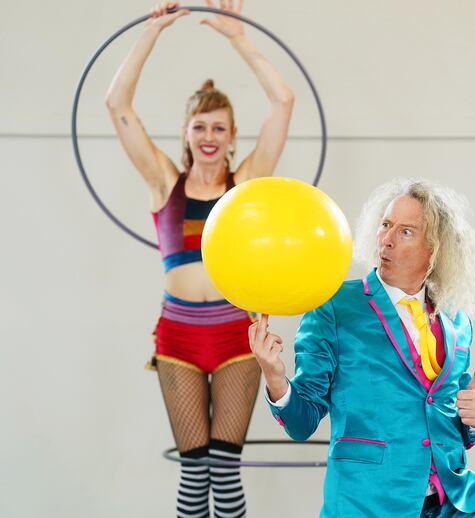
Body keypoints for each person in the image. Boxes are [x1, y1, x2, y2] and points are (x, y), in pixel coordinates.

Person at [249, 179, 475, 517]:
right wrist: (276, 377)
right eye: (386, 225)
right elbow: (302, 421)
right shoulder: (335, 305)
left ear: (434, 249)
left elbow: (450, 426)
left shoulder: (457, 321)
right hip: (370, 502)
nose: (387, 239)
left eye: (406, 231)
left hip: (457, 498)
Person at [105, 1, 294, 516]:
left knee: (226, 475)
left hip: (237, 335)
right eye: (199, 127)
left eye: (219, 128)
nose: (208, 137)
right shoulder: (164, 182)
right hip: (179, 338)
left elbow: (283, 102)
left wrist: (239, 38)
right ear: (186, 133)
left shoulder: (246, 182)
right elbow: (116, 103)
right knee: (194, 476)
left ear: (233, 136)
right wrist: (151, 31)